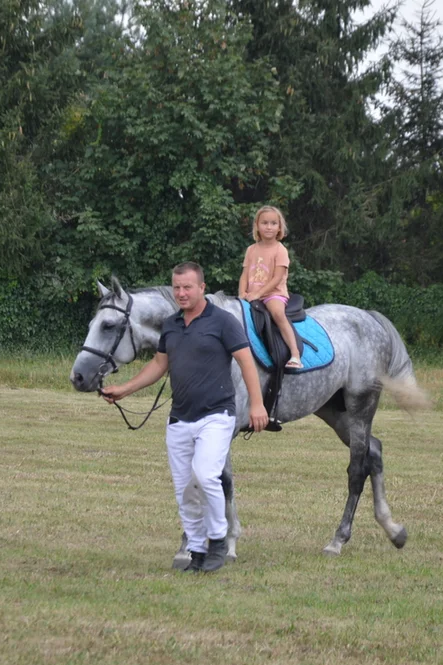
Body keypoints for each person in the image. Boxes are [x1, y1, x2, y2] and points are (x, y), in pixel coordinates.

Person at [101, 262, 269, 573]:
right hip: (180, 419)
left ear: (202, 287)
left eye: (187, 287)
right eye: (177, 287)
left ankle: (218, 540)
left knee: (206, 476)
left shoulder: (223, 321)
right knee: (185, 489)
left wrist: (257, 404)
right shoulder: (172, 325)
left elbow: (246, 361)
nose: (181, 293)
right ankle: (196, 550)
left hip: (216, 416)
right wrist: (125, 389)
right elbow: (159, 365)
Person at [238, 205, 303, 369]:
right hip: (251, 294)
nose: (269, 227)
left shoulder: (280, 250)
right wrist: (241, 293)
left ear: (279, 227)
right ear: (257, 226)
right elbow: (245, 274)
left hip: (273, 293)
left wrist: (258, 293)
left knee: (277, 313)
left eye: (273, 223)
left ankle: (295, 354)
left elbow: (277, 278)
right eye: (265, 223)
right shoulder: (251, 249)